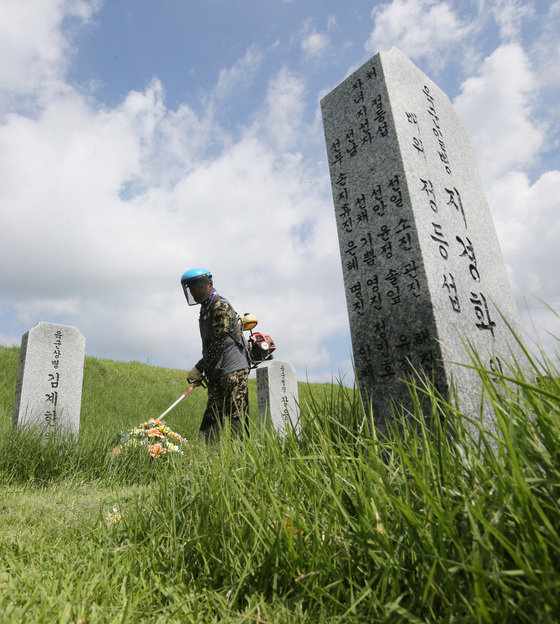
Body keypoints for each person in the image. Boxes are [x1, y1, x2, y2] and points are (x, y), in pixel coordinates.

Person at [181, 268, 250, 442]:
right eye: (191, 289)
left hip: (233, 370)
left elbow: (219, 341)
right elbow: (211, 346)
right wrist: (206, 370)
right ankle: (207, 459)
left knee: (237, 417)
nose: (195, 292)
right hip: (217, 371)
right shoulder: (205, 309)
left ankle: (241, 460)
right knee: (212, 417)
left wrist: (200, 367)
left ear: (210, 284)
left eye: (198, 287)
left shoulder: (220, 305)